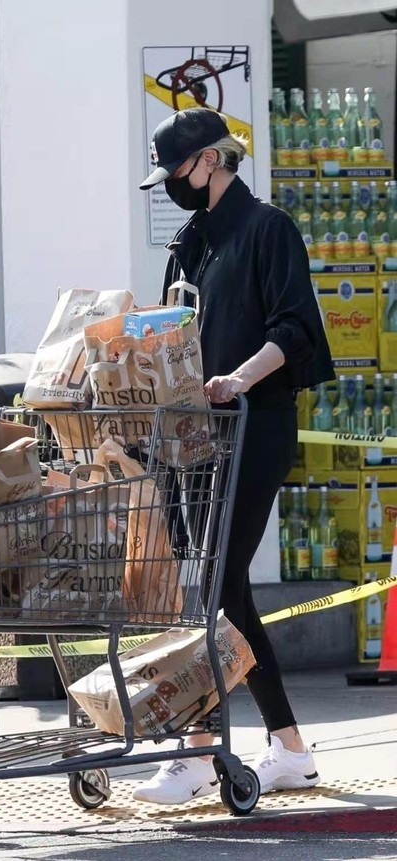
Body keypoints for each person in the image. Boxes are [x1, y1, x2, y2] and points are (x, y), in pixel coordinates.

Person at [133, 108, 335, 805]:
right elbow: (171, 330)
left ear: (212, 160)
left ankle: (197, 750)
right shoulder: (192, 240)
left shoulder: (269, 229)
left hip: (257, 425)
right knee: (228, 589)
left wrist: (237, 379)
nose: (172, 186)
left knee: (214, 587)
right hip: (199, 437)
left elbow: (297, 328)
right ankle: (289, 748)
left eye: (177, 171)